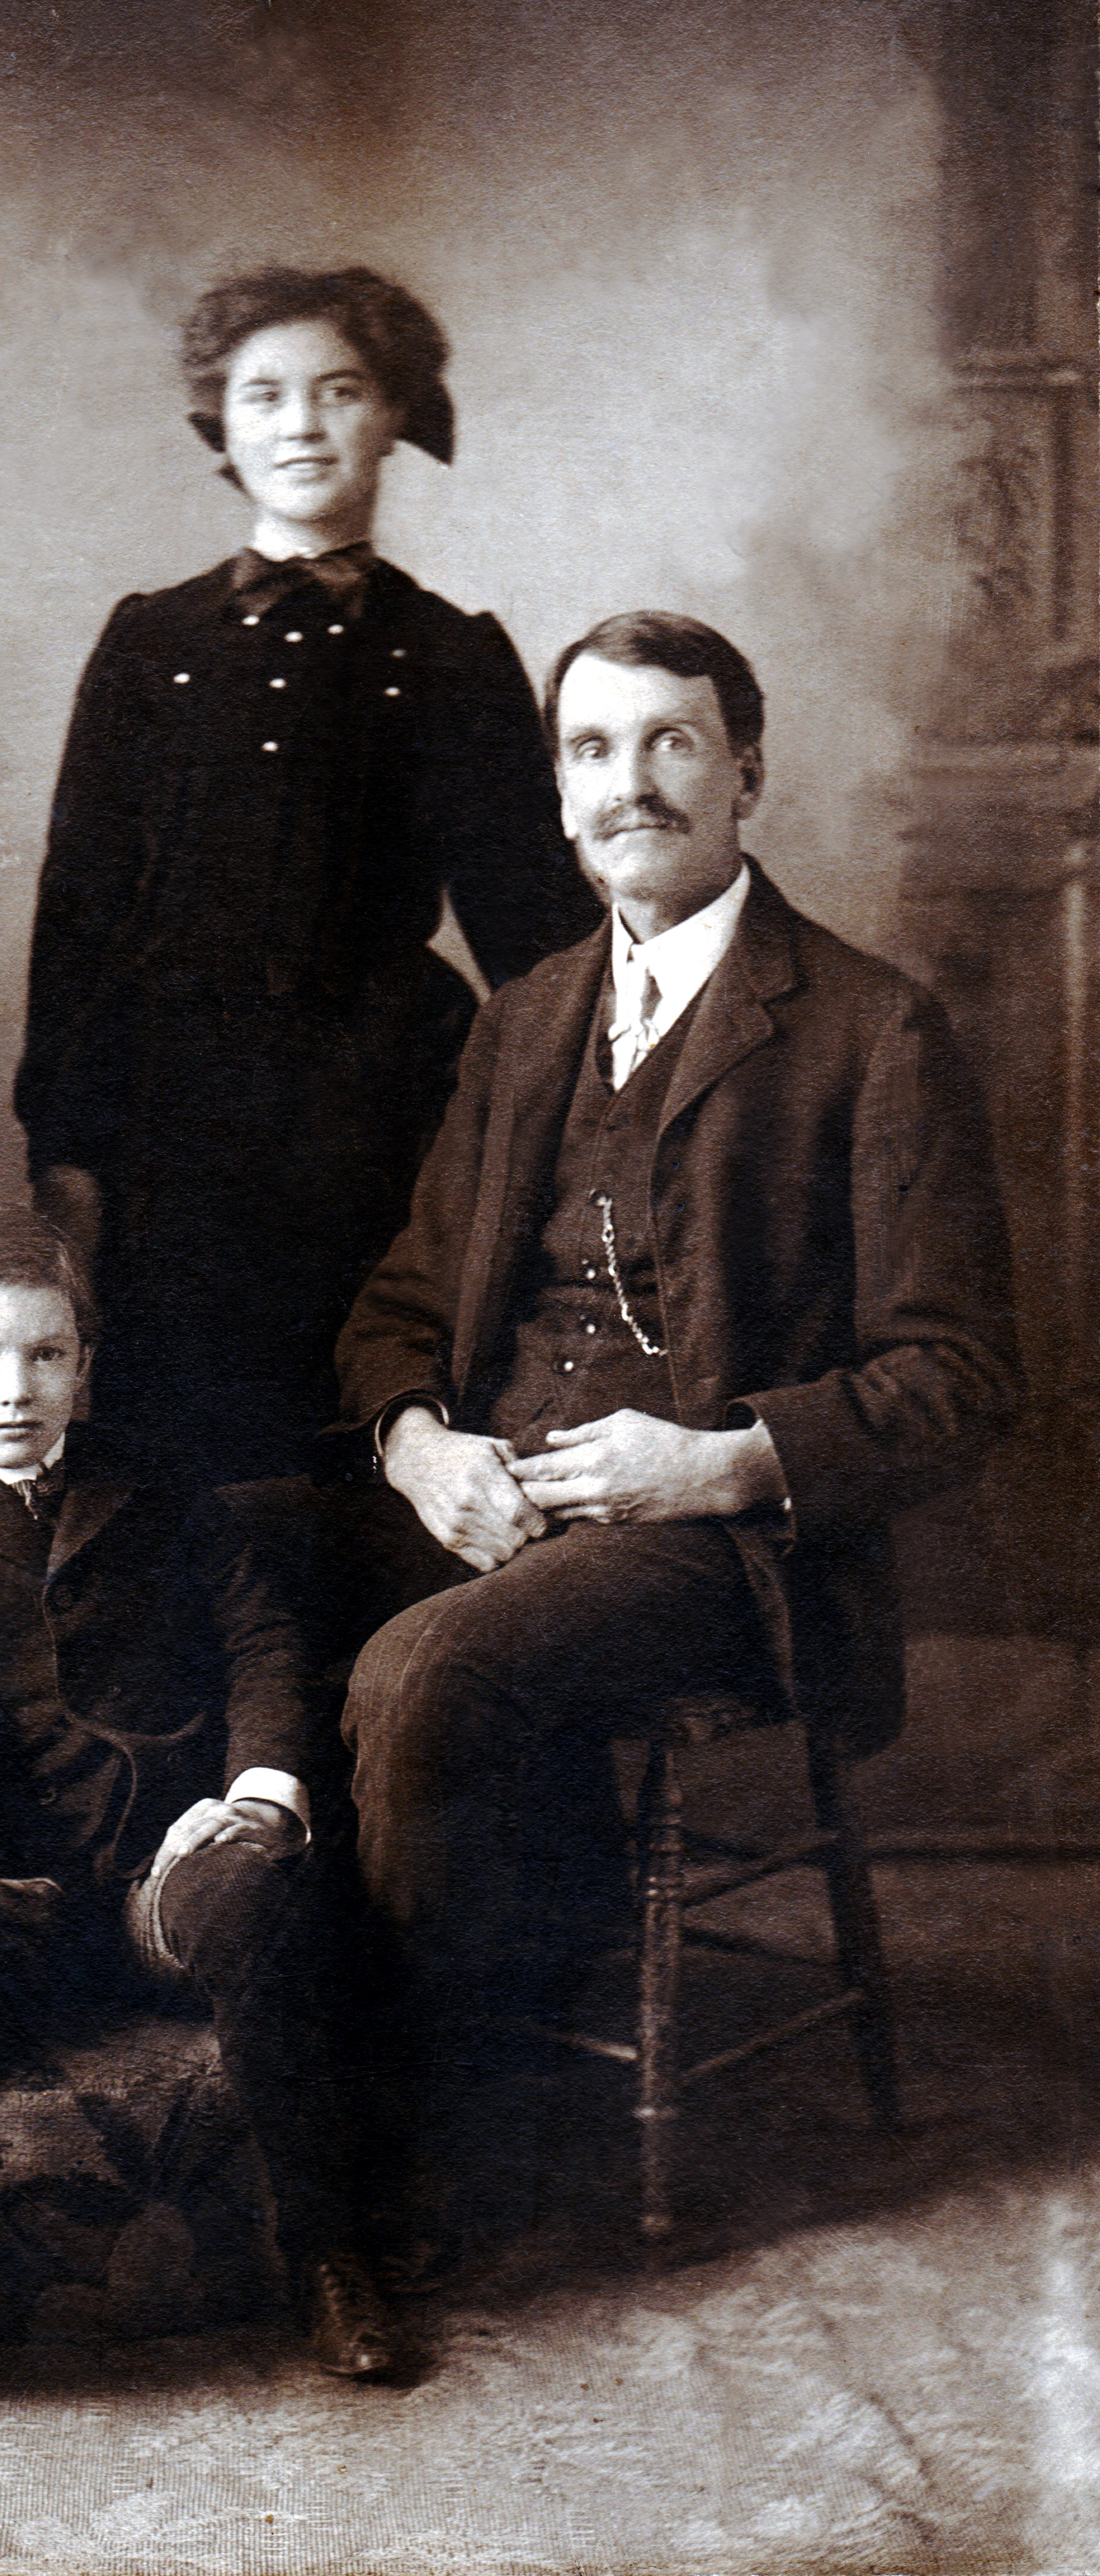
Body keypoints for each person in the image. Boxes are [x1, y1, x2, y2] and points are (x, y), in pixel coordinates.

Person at [330, 610, 1024, 2228]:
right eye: (588, 749)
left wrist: (713, 1464)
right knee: (210, 1564)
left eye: (668, 742)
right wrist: (420, 1452)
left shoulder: (871, 1030)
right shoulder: (521, 1023)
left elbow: (956, 1377)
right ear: (555, 793)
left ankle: (392, 2173)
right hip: (496, 1491)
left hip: (724, 1548)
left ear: (744, 774)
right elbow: (398, 1313)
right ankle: (255, 2089)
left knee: (423, 1668)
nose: (625, 783)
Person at [16, 265, 598, 1480]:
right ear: (219, 426)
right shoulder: (150, 642)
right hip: (170, 1129)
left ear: (394, 417)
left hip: (377, 1124)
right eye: (264, 394)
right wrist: (66, 1157)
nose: (300, 424)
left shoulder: (451, 655)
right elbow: (77, 917)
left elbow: (536, 935)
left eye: (339, 392)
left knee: (359, 1430)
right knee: (174, 1452)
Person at [0, 1204, 400, 2378]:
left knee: (253, 1899)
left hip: (167, 1860)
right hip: (20, 1889)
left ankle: (327, 2252)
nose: (15, 1390)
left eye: (47, 1354)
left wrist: (255, 1798)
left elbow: (260, 1646)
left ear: (84, 1361)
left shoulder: (159, 1483)